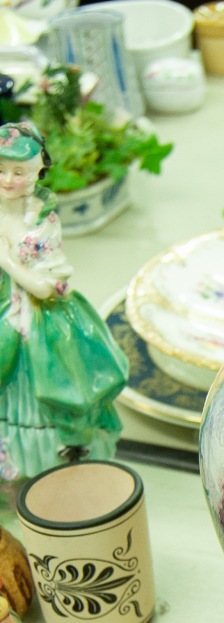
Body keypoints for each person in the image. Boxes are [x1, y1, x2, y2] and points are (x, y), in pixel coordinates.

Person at [0, 121, 128, 481]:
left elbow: (46, 287)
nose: (8, 180)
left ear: (40, 169)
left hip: (41, 319)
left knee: (58, 379)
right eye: (1, 170)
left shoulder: (41, 221)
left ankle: (58, 460)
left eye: (19, 171)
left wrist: (8, 262)